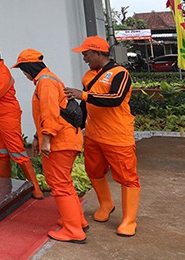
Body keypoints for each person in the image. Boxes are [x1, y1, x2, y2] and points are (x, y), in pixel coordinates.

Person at [65, 36, 140, 237]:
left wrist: (84, 96)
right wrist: (78, 125)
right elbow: (85, 105)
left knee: (127, 178)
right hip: (94, 136)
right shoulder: (89, 76)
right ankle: (106, 204)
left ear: (98, 52)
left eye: (86, 54)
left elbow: (115, 99)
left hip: (118, 137)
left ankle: (129, 221)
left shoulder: (121, 74)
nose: (84, 58)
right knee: (94, 171)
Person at [13, 49, 87, 244]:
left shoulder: (45, 82)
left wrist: (46, 140)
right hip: (67, 138)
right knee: (65, 182)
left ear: (28, 67)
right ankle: (77, 220)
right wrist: (39, 136)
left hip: (60, 142)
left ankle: (73, 231)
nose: (24, 75)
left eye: (23, 70)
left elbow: (49, 113)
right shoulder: (49, 79)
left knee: (59, 184)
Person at [0, 42, 43, 199]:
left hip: (7, 115)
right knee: (0, 153)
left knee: (17, 152)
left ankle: (36, 189)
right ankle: (3, 189)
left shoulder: (2, 72)